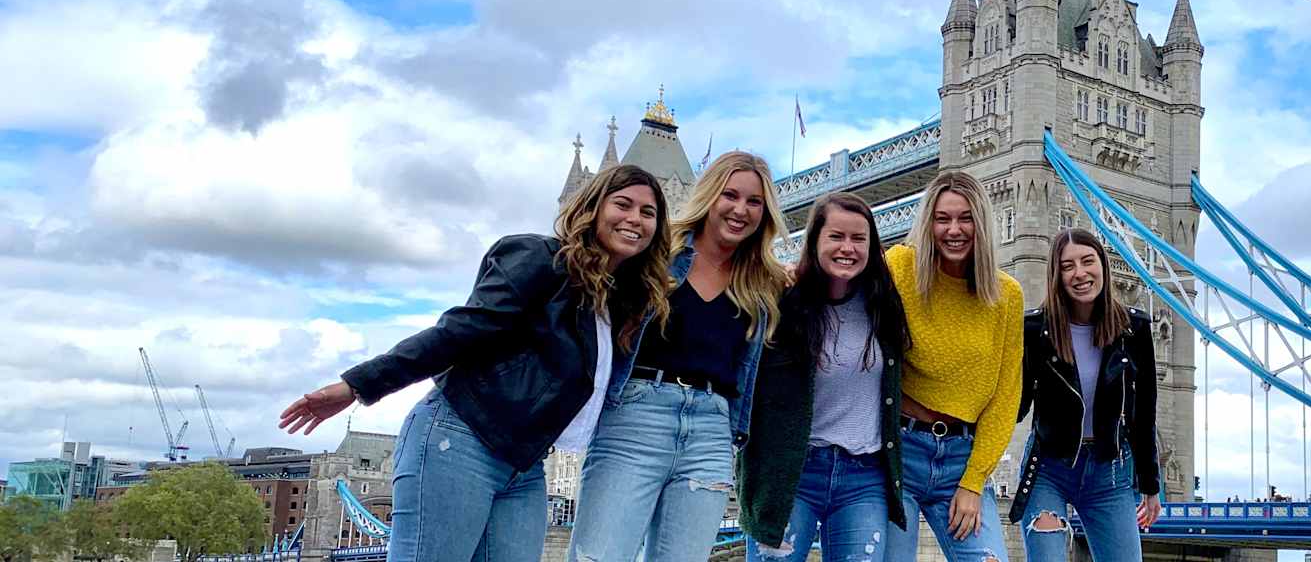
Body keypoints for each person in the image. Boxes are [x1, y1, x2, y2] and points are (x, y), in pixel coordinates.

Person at [278, 164, 671, 562]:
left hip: (526, 464)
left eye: (648, 212)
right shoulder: (539, 258)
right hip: (460, 440)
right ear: (591, 206)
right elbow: (460, 331)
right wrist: (359, 384)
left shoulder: (618, 304)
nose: (635, 219)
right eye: (623, 204)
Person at [569, 151, 788, 562]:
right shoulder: (654, 253)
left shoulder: (765, 282)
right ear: (709, 196)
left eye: (754, 202)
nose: (740, 210)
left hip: (712, 432)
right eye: (730, 195)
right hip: (636, 418)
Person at [739, 192, 912, 561]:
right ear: (815, 240)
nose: (847, 248)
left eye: (858, 239)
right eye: (836, 236)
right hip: (791, 473)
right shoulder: (779, 301)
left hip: (864, 476)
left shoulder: (885, 307)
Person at [882, 171, 1024, 562]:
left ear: (982, 223)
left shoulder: (1007, 295)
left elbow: (1005, 396)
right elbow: (840, 282)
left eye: (965, 219)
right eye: (943, 219)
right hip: (899, 452)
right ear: (928, 224)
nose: (954, 230)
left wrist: (974, 481)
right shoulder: (900, 266)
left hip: (961, 460)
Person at [1010, 229, 1162, 562]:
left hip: (1111, 472)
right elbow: (1014, 406)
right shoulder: (1035, 330)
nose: (1080, 273)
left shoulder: (1133, 330)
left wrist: (1151, 486)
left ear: (1103, 267)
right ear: (1056, 275)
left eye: (1087, 261)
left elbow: (1144, 413)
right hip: (1049, 469)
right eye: (1067, 266)